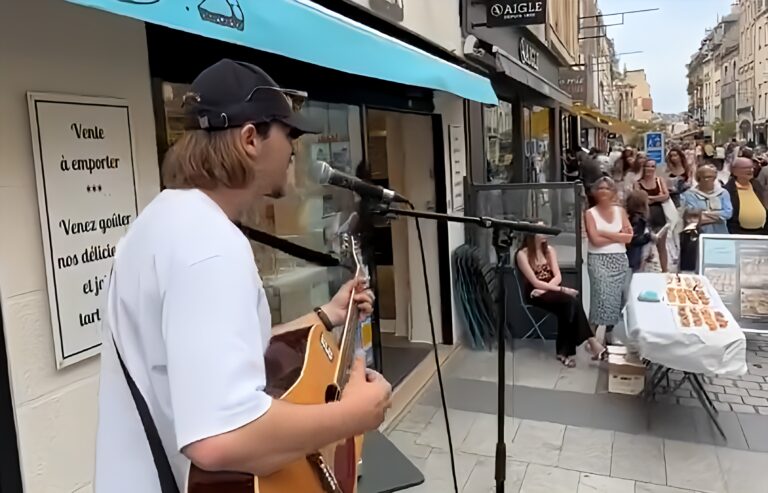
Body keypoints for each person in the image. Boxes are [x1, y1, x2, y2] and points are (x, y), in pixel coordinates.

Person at [94, 59, 392, 492]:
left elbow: (212, 354)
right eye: (288, 133)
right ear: (251, 138)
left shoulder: (166, 220)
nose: (294, 148)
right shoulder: (209, 246)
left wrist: (326, 314)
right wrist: (355, 415)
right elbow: (220, 438)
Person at [516, 225, 606, 367]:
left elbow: (557, 276)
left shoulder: (549, 251)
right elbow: (535, 282)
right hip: (534, 294)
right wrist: (562, 290)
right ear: (532, 234)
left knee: (569, 306)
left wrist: (549, 290)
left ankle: (566, 352)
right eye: (541, 231)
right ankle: (590, 343)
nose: (546, 233)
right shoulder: (522, 254)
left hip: (547, 290)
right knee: (570, 302)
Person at [585, 177, 632, 342]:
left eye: (607, 189)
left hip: (619, 260)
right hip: (599, 260)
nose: (603, 192)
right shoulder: (590, 213)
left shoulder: (620, 211)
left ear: (613, 192)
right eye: (600, 189)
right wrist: (618, 236)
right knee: (601, 300)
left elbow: (628, 238)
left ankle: (609, 336)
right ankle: (591, 338)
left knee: (617, 301)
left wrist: (604, 233)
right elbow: (595, 241)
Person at [634, 159, 671, 272]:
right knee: (643, 248)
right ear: (643, 168)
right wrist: (657, 198)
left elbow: (666, 196)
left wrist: (650, 198)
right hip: (644, 218)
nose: (650, 169)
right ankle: (640, 271)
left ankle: (665, 271)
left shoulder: (659, 180)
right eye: (647, 166)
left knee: (661, 246)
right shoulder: (638, 183)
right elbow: (639, 199)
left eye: (652, 166)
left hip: (659, 217)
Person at [680, 164, 733, 234]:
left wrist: (705, 214)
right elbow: (693, 217)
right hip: (698, 234)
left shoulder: (723, 193)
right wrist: (718, 217)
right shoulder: (689, 195)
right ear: (698, 179)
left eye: (712, 177)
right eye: (705, 177)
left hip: (721, 233)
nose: (709, 180)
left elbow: (728, 213)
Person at [724, 156, 768, 234]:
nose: (751, 170)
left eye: (752, 167)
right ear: (735, 171)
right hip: (738, 233)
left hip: (762, 232)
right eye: (746, 168)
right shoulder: (727, 190)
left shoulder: (756, 185)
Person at [625, 190, 664, 273]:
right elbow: (633, 239)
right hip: (635, 257)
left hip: (640, 256)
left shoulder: (640, 219)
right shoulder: (637, 220)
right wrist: (649, 237)